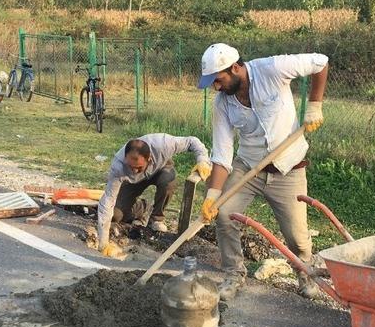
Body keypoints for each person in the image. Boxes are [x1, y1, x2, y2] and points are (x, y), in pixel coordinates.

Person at [196, 43, 329, 301]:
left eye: (218, 79)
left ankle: (305, 274)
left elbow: (321, 62)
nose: (216, 87)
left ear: (235, 68)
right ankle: (234, 274)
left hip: (288, 168)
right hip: (249, 168)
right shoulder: (222, 104)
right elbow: (222, 155)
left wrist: (315, 105)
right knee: (224, 214)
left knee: (298, 237)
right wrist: (213, 195)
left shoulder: (272, 69)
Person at [97, 134, 212, 258]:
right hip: (133, 181)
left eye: (138, 167)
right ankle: (141, 207)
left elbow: (192, 141)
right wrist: (103, 242)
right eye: (131, 166)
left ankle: (157, 218)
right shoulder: (119, 166)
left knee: (168, 180)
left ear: (149, 159)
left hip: (161, 169)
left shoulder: (164, 144)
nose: (134, 170)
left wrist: (202, 161)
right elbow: (108, 199)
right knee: (117, 214)